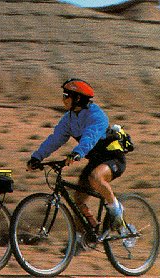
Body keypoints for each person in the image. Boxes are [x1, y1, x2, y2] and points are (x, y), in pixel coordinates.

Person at [27, 78, 126, 235]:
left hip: (113, 157)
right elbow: (55, 139)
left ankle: (116, 207)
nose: (63, 99)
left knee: (95, 177)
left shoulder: (97, 116)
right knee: (78, 201)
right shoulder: (69, 119)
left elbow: (90, 137)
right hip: (95, 160)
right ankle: (88, 234)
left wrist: (78, 152)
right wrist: (37, 157)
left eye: (66, 95)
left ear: (78, 98)